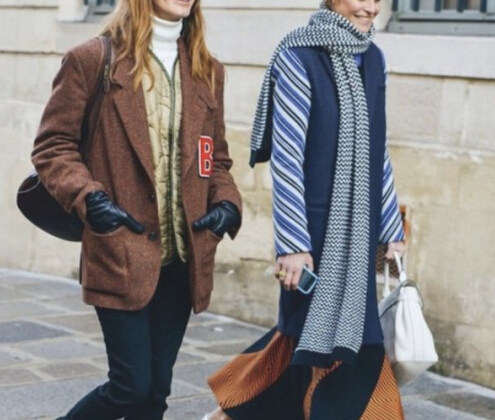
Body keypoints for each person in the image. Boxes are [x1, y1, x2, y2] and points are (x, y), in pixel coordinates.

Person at [31, 0, 242, 419]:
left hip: (184, 256)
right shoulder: (92, 60)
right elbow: (53, 146)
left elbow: (214, 158)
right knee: (129, 387)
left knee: (155, 393)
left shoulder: (207, 70)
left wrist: (227, 202)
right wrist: (89, 197)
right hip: (120, 249)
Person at [202, 0, 406, 419]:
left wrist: (391, 228)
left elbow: (378, 151)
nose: (371, 8)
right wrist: (294, 244)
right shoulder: (298, 55)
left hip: (359, 231)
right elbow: (287, 157)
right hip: (312, 234)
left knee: (324, 341)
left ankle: (231, 414)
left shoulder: (374, 59)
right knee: (310, 337)